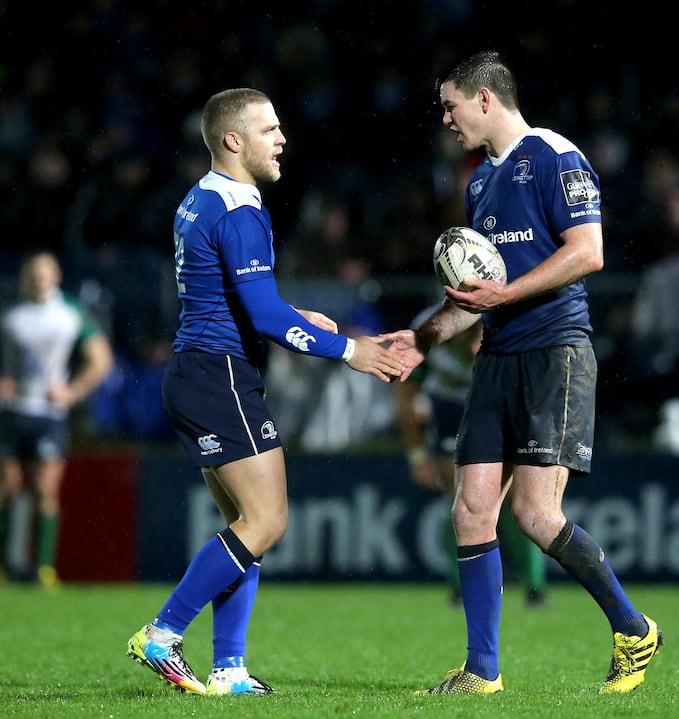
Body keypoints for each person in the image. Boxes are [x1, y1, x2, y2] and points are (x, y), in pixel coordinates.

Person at [384, 51, 662, 696]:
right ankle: (481, 671)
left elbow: (587, 252)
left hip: (553, 353)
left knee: (536, 515)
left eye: (451, 106)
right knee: (470, 510)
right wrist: (424, 338)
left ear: (485, 99)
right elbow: (479, 294)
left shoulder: (556, 156)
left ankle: (633, 629)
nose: (446, 119)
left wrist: (503, 299)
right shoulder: (480, 182)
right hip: (497, 359)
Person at [125, 88, 405, 697]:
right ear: (234, 140)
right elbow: (262, 316)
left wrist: (291, 312)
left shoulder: (200, 199)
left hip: (199, 372)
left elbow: (232, 298)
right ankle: (163, 632)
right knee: (268, 520)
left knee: (244, 525)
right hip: (220, 376)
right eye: (269, 129)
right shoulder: (239, 209)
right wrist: (351, 351)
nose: (282, 140)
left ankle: (229, 671)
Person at [394, 304, 549, 607]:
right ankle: (460, 588)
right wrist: (417, 456)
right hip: (451, 411)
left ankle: (535, 587)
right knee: (460, 499)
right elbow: (406, 396)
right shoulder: (427, 329)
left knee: (516, 499)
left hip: (502, 407)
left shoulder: (508, 323)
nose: (474, 349)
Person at [0, 251, 114, 589]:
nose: (39, 281)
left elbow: (100, 358)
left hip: (49, 414)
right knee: (8, 487)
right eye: (33, 275)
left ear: (56, 278)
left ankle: (43, 568)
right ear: (24, 278)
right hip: (12, 409)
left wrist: (73, 391)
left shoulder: (69, 314)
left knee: (44, 490)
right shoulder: (11, 313)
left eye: (44, 274)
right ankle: (5, 566)